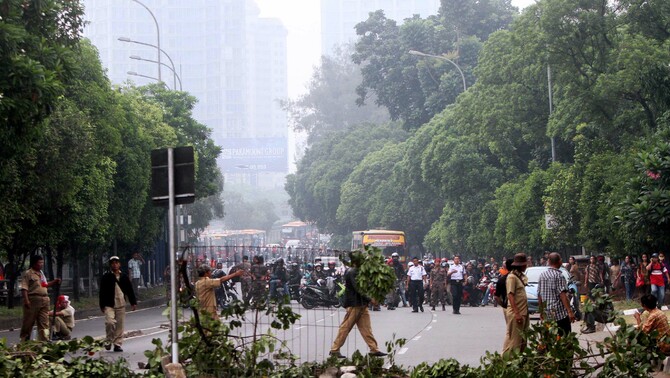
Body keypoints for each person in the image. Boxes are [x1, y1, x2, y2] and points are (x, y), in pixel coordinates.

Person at [329, 253, 387, 359]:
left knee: (366, 328)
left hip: (361, 304)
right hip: (354, 304)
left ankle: (374, 349)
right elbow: (359, 289)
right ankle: (334, 349)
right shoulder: (353, 272)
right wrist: (370, 299)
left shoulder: (359, 272)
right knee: (345, 327)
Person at [19, 255, 61, 341]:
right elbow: (24, 288)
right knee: (28, 322)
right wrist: (26, 301)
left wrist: (54, 282)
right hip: (33, 300)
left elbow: (45, 285)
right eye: (39, 263)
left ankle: (44, 341)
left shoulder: (41, 274)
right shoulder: (28, 273)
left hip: (45, 300)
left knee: (44, 322)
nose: (41, 264)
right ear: (34, 263)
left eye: (42, 263)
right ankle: (24, 341)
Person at [99, 256, 137, 352]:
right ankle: (108, 340)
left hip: (121, 304)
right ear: (110, 265)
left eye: (116, 262)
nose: (114, 264)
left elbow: (129, 290)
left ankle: (117, 344)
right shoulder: (106, 277)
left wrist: (133, 302)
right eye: (112, 263)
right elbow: (102, 292)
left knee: (120, 325)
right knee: (110, 322)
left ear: (119, 264)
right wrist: (102, 305)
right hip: (109, 304)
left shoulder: (124, 277)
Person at [537, 253, 576, 336]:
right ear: (559, 262)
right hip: (559, 315)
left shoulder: (542, 275)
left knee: (550, 341)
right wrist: (570, 312)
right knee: (564, 339)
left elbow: (539, 295)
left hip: (547, 314)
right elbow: (563, 295)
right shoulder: (559, 276)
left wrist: (541, 312)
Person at [503, 253, 530, 355]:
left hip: (523, 312)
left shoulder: (519, 277)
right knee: (515, 342)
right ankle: (509, 363)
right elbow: (510, 295)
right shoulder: (512, 277)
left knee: (523, 341)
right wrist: (517, 313)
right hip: (516, 313)